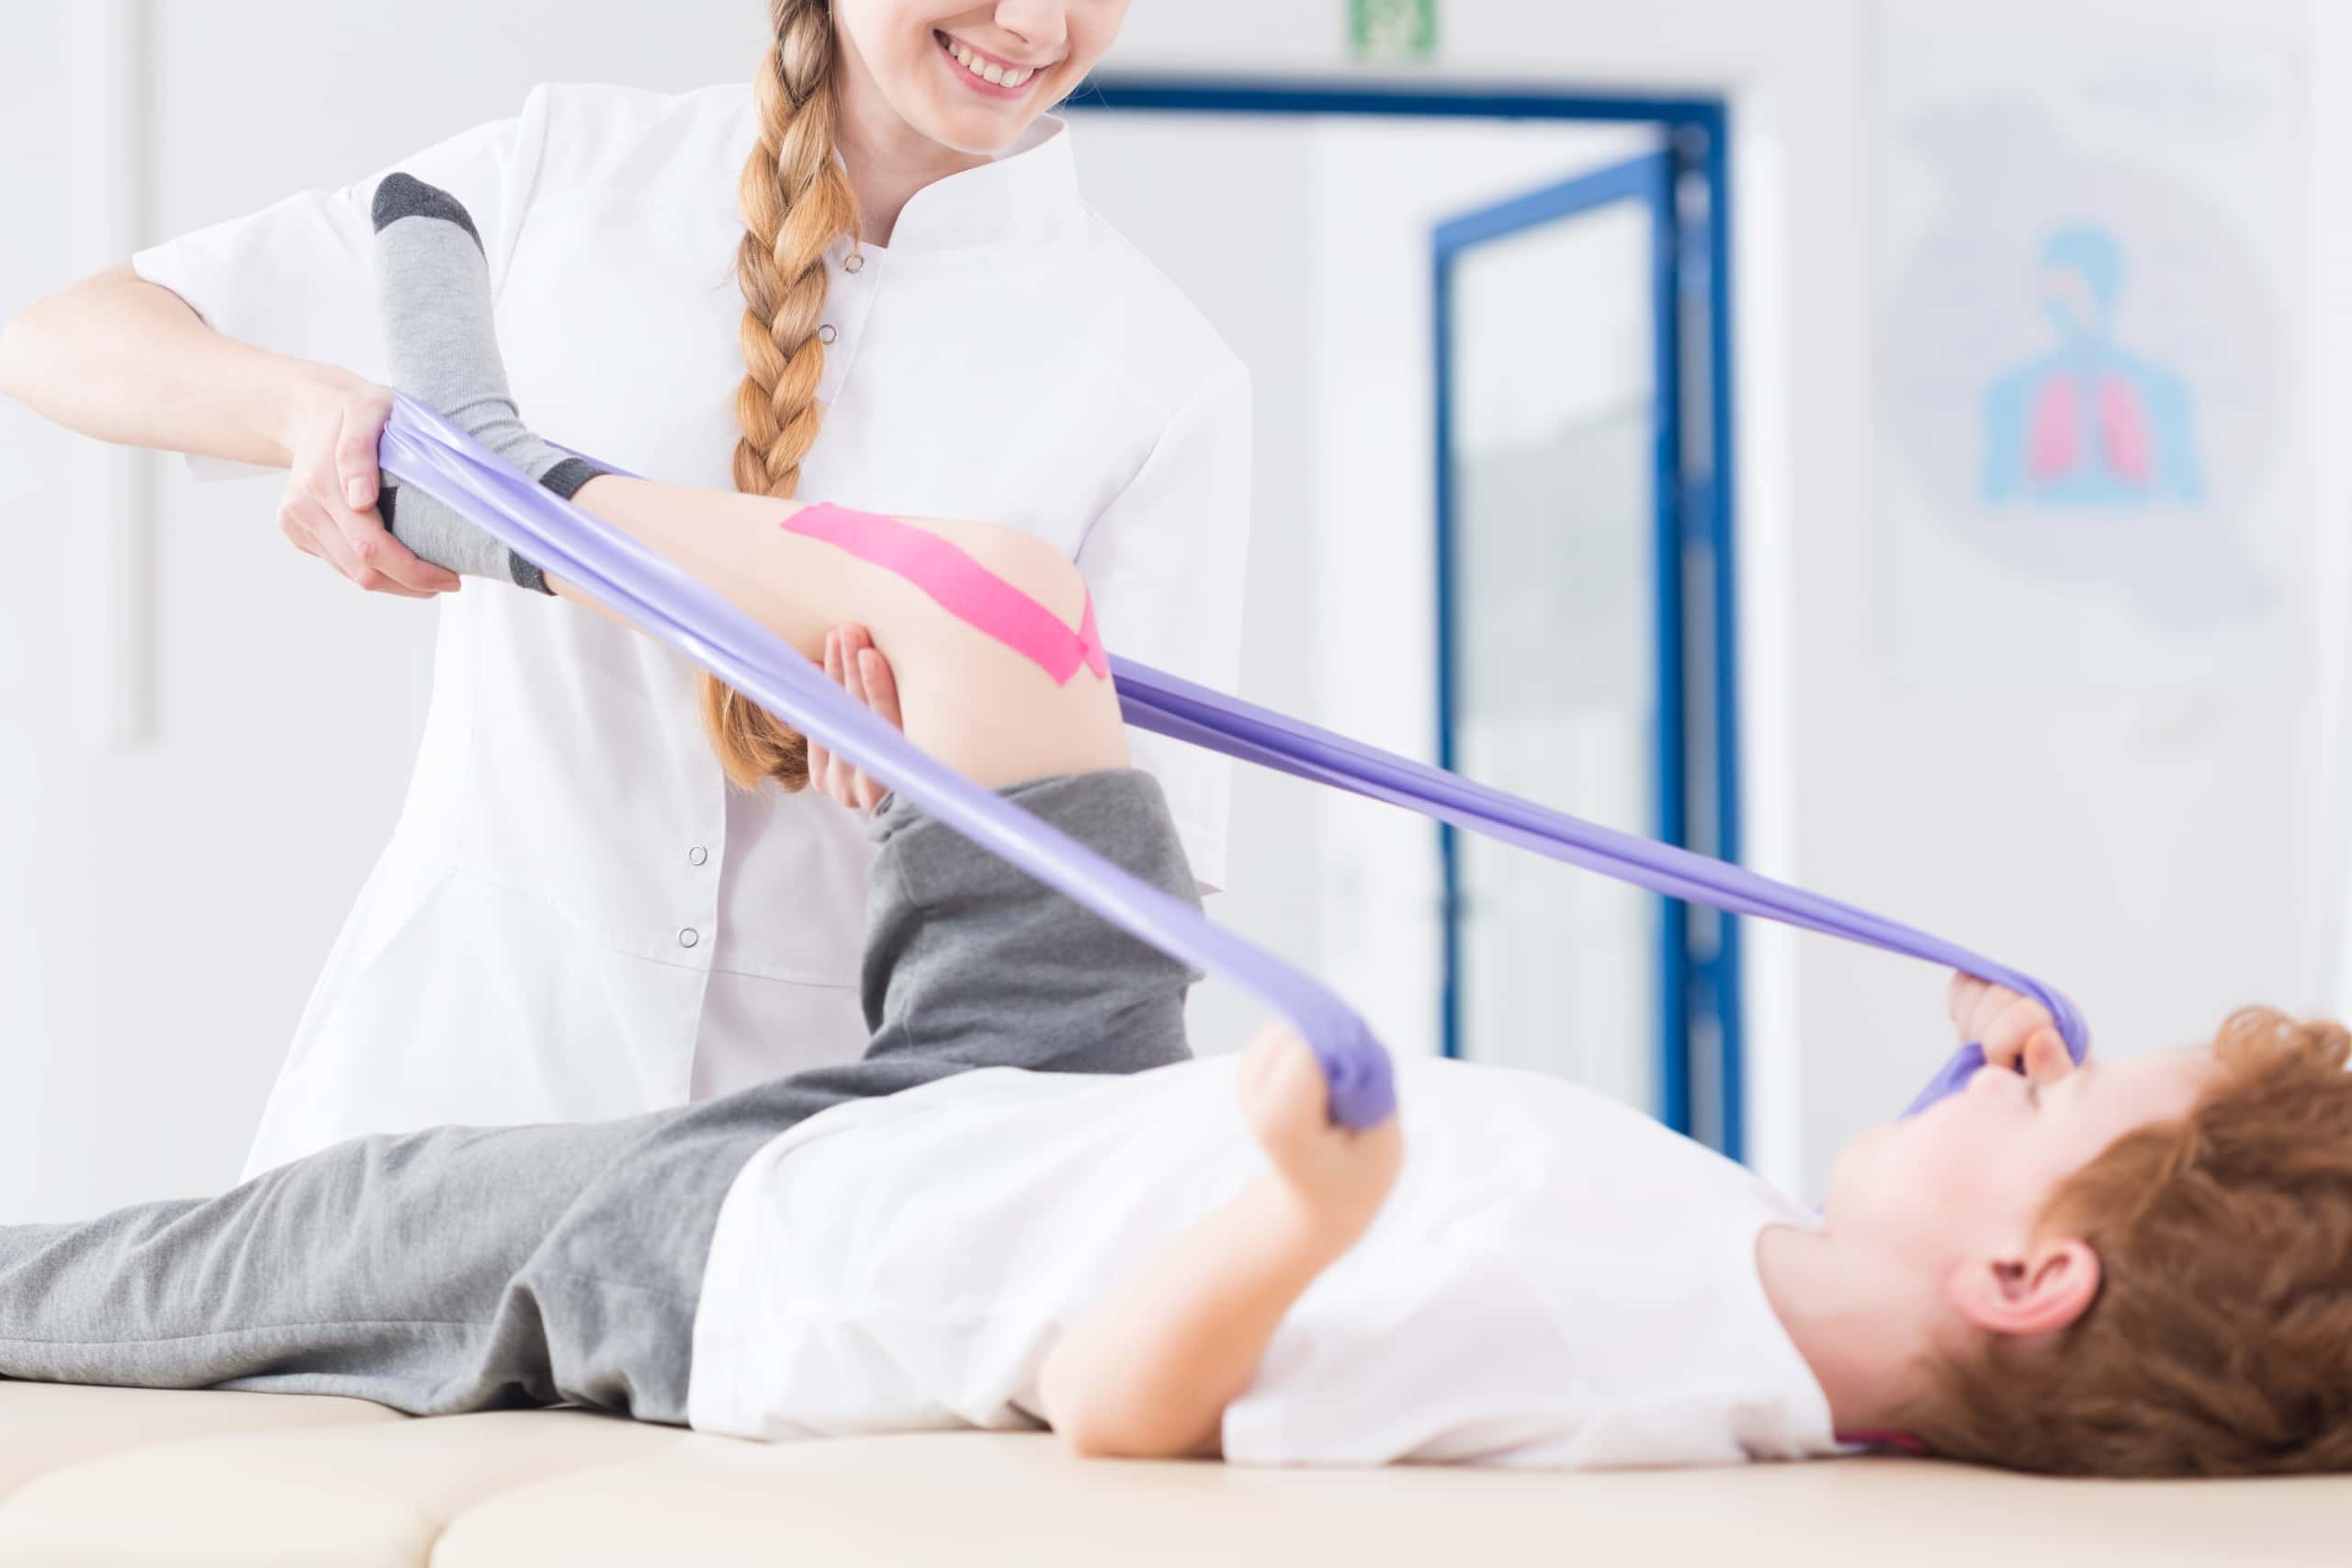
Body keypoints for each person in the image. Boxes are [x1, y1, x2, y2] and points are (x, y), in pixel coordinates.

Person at [6, 182, 2350, 1482]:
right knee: (997, 588)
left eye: (2055, 1091)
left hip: (792, 1232)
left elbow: (1136, 1405)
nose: (2023, 1050)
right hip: (1039, 1095)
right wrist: (1998, 1079)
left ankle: (491, 458)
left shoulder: (1600, 1337)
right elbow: (1921, 1255)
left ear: (2028, 1281)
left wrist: (1300, 1205)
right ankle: (502, 462)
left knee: (218, 1261)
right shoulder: (1760, 1296)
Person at [0, 0, 1248, 1178]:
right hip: (439, 1109)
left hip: (810, 1189)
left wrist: (945, 795)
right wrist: (316, 414)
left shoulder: (1156, 371)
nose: (1034, 24)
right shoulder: (565, 177)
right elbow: (63, 338)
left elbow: (1129, 902)